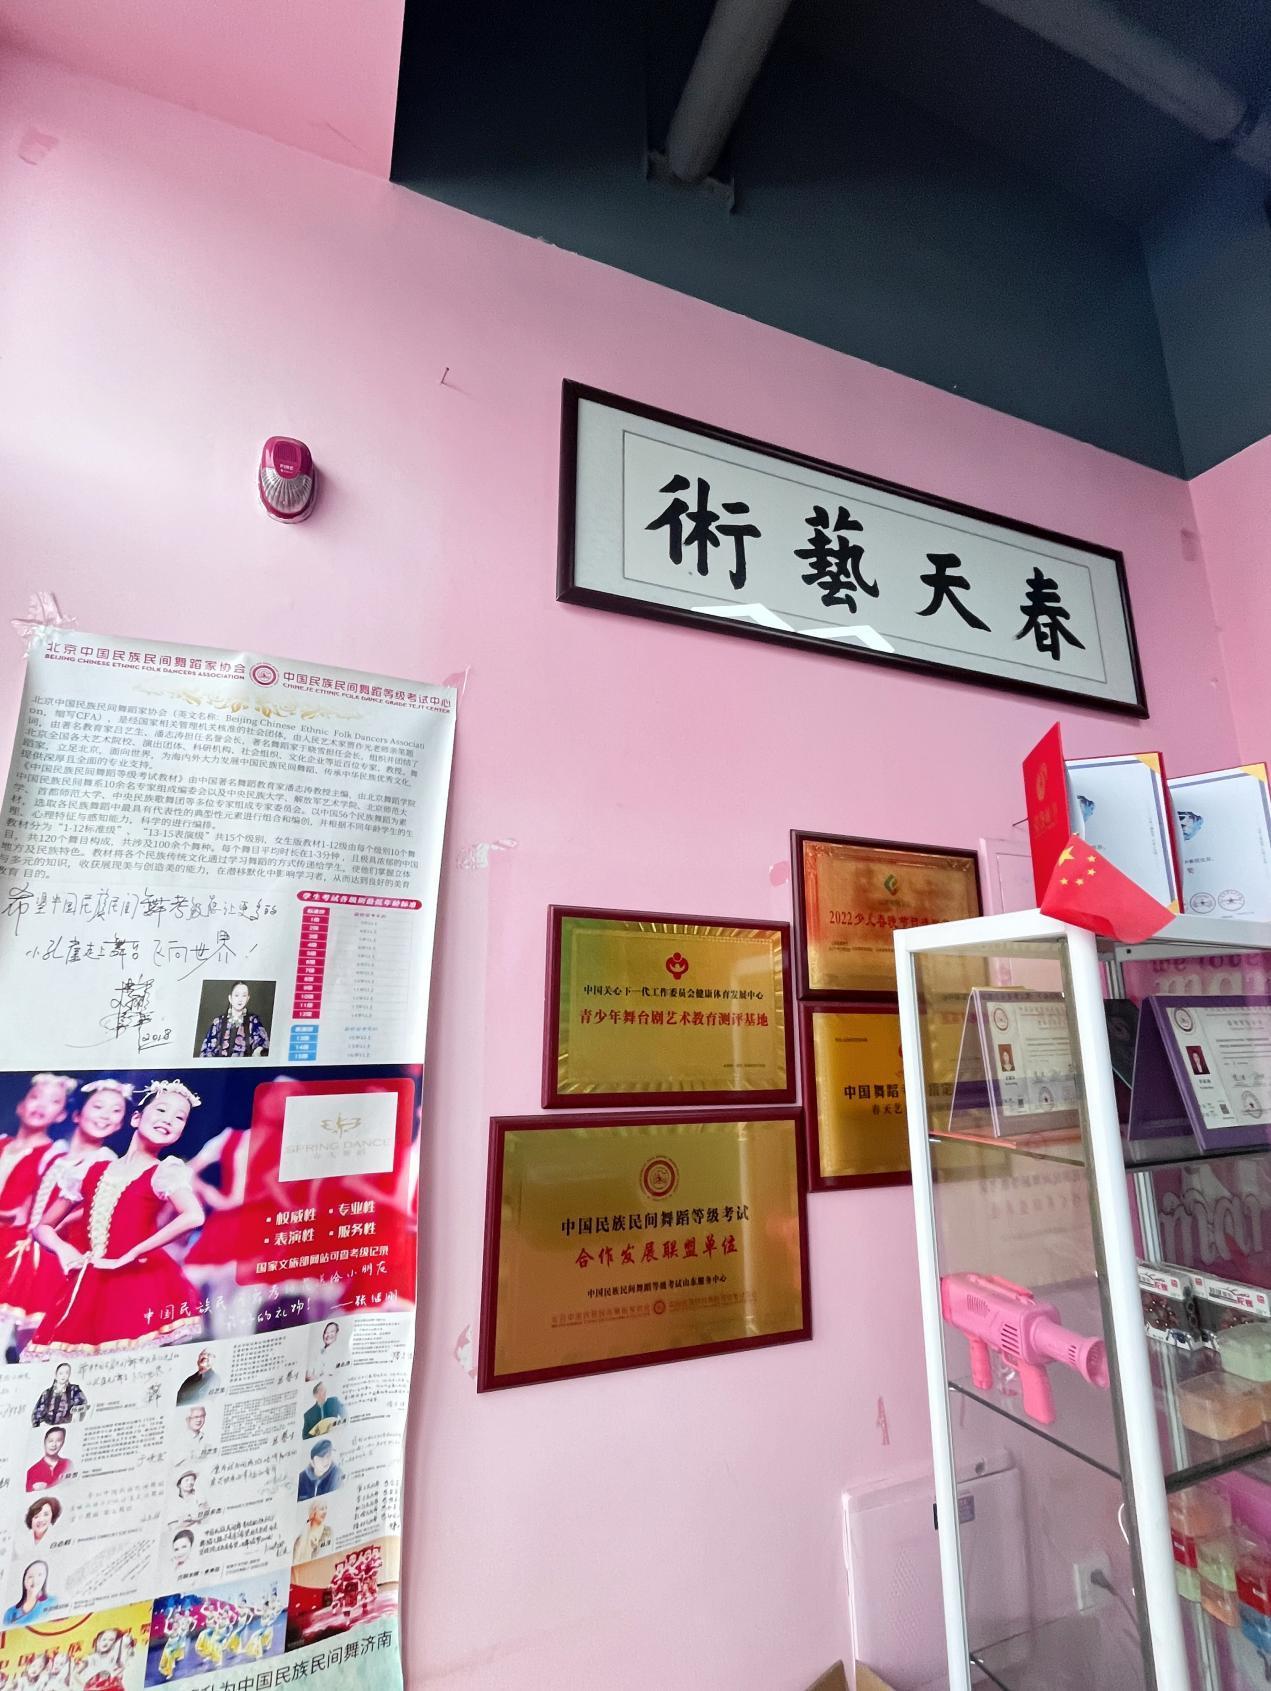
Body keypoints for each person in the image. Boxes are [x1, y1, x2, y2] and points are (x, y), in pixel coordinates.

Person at [27, 1080, 205, 1356]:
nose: (169, 1119)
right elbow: (43, 1227)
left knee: (127, 1360)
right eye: (161, 1110)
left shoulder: (163, 1172)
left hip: (137, 1282)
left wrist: (133, 1253)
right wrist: (63, 1249)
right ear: (136, 1118)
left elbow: (193, 1216)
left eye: (179, 1117)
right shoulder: (92, 1168)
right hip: (90, 1281)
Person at [0, 1081, 129, 1341]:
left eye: (116, 1111)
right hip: (22, 1251)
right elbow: (31, 1205)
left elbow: (101, 1211)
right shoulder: (57, 1156)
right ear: (77, 1114)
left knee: (37, 1341)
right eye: (98, 1106)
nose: (106, 1115)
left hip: (56, 1260)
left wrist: (55, 1230)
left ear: (120, 1125)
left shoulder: (105, 1161)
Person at [199, 984, 269, 1060]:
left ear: (248, 998)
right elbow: (206, 1050)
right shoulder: (218, 1022)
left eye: (244, 995)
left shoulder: (254, 1021)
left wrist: (258, 1051)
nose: (240, 999)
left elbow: (263, 1043)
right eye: (236, 995)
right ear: (230, 998)